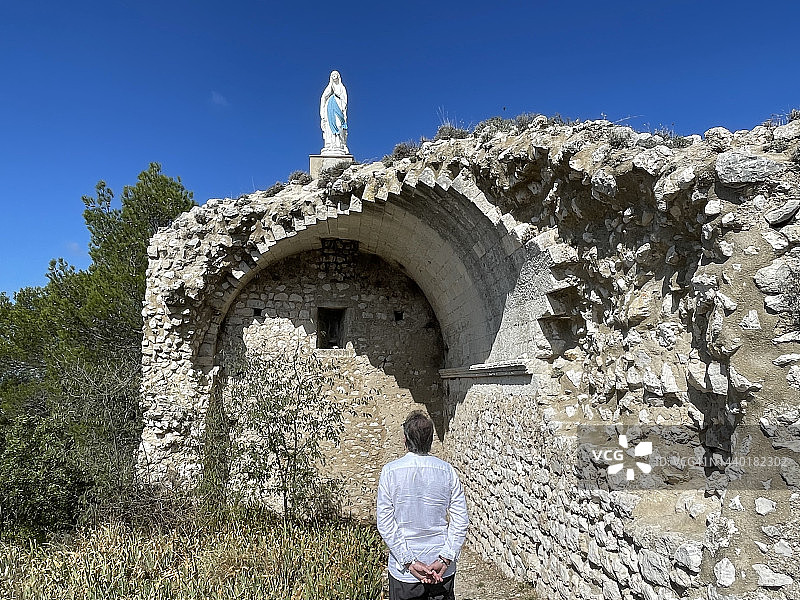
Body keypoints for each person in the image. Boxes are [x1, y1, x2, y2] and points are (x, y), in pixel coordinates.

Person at [377, 410, 469, 600]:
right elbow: (460, 520)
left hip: (405, 574)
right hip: (441, 570)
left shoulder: (390, 472)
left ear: (405, 440)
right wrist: (445, 558)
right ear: (431, 440)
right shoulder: (447, 471)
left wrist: (409, 562)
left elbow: (385, 524)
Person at [320, 70, 349, 154]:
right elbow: (324, 97)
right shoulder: (329, 87)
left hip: (339, 106)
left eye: (335, 75)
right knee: (330, 125)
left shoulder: (341, 87)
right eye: (332, 75)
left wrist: (338, 95)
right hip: (330, 107)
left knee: (339, 124)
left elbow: (345, 99)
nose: (334, 76)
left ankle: (340, 144)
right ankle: (330, 144)